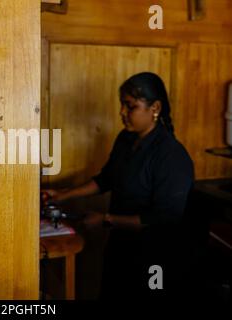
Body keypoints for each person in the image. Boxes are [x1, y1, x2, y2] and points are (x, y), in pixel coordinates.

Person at [43, 72, 194, 301]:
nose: (122, 112)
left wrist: (106, 219)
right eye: (122, 105)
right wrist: (63, 195)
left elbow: (163, 217)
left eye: (129, 106)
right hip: (121, 246)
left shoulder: (171, 156)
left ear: (155, 108)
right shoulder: (126, 139)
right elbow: (106, 179)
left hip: (155, 255)